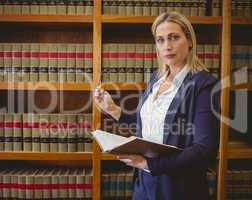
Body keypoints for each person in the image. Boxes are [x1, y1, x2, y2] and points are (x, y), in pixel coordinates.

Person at [94, 11, 220, 200]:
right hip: (143, 184)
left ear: (190, 41)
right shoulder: (156, 79)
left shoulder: (205, 84)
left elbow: (204, 149)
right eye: (160, 40)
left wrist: (150, 165)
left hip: (178, 188)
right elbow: (150, 129)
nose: (167, 46)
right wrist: (113, 110)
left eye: (174, 37)